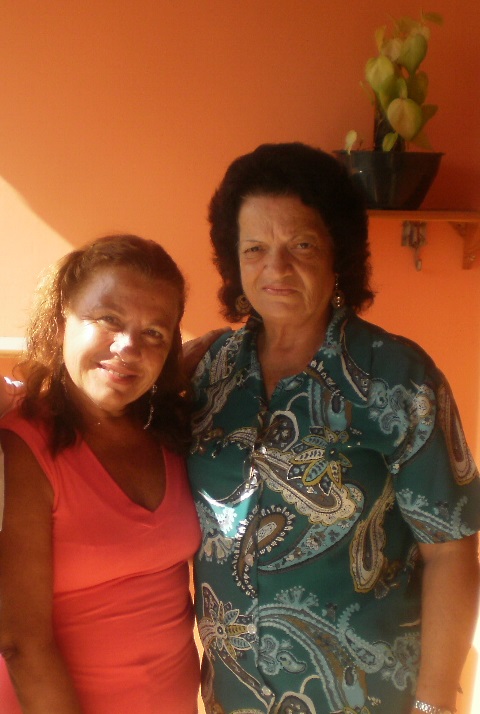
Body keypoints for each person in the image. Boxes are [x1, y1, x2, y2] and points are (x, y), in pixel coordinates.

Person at [188, 143, 480, 714]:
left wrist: (435, 703)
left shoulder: (397, 378)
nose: (276, 268)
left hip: (365, 695)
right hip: (233, 696)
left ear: (337, 254)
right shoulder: (209, 372)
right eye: (254, 248)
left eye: (301, 245)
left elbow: (451, 551)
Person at [0, 235, 201, 713]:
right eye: (108, 319)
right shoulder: (24, 444)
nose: (129, 346)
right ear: (62, 321)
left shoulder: (169, 431)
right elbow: (21, 642)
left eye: (154, 332)